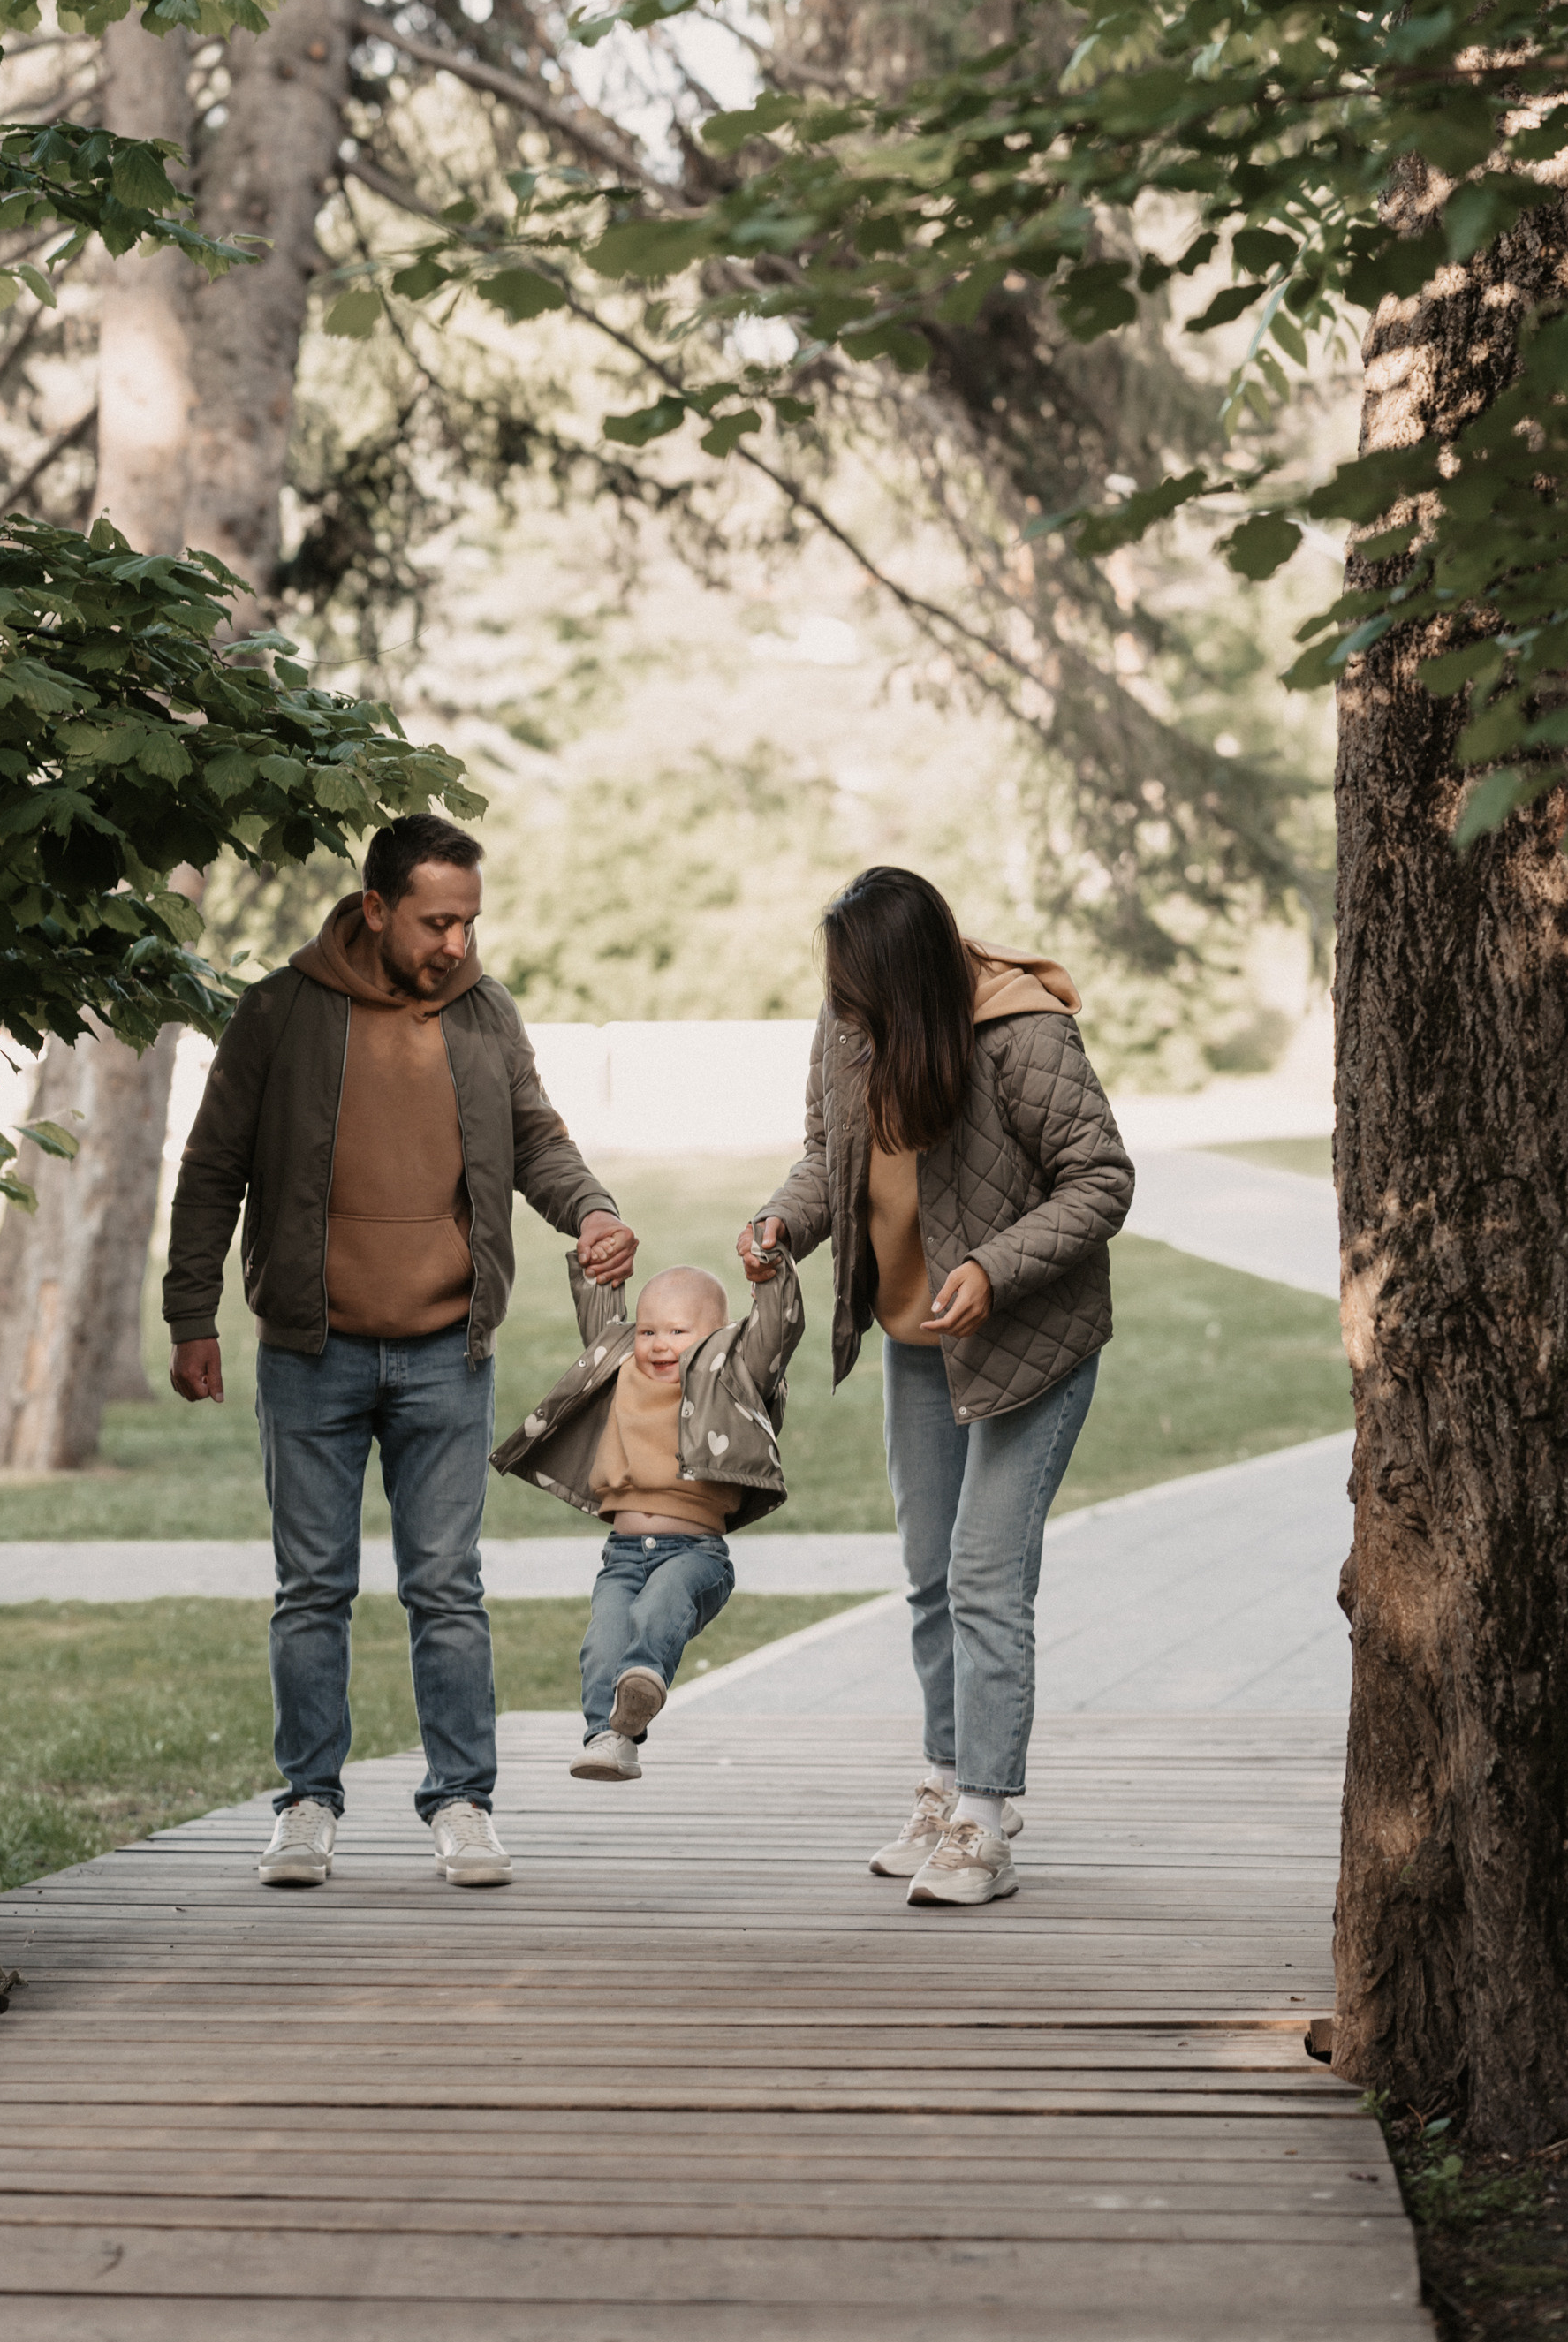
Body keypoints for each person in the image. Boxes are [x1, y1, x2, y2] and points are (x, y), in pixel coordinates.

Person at [163, 813, 637, 1891]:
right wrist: (192, 1314)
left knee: (446, 1588)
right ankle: (305, 1804)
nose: (456, 944)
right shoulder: (282, 1012)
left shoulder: (482, 1013)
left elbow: (537, 1139)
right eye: (436, 921)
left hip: (445, 1350)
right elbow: (211, 1166)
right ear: (373, 906)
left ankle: (463, 1801)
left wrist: (591, 1210)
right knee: (311, 1587)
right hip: (309, 1350)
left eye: (468, 922)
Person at [738, 867, 1133, 1909]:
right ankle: (949, 1783)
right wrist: (782, 1220)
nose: (844, 1014)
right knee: (927, 1574)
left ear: (910, 981)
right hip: (918, 1339)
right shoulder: (850, 1024)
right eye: (840, 998)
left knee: (984, 1576)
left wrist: (994, 1267)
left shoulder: (1023, 1032)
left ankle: (989, 1822)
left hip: (1030, 1340)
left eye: (861, 998)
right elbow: (830, 1155)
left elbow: (1101, 1178)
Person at [493, 1248, 806, 1780]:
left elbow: (774, 1331)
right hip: (622, 1554)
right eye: (647, 1331)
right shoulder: (619, 1365)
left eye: (678, 1332)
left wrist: (771, 1274)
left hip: (696, 1556)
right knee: (602, 1641)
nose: (659, 1344)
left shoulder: (730, 1373)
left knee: (656, 1611)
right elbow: (598, 1309)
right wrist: (599, 1262)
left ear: (719, 1335)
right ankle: (607, 1738)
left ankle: (642, 1682)